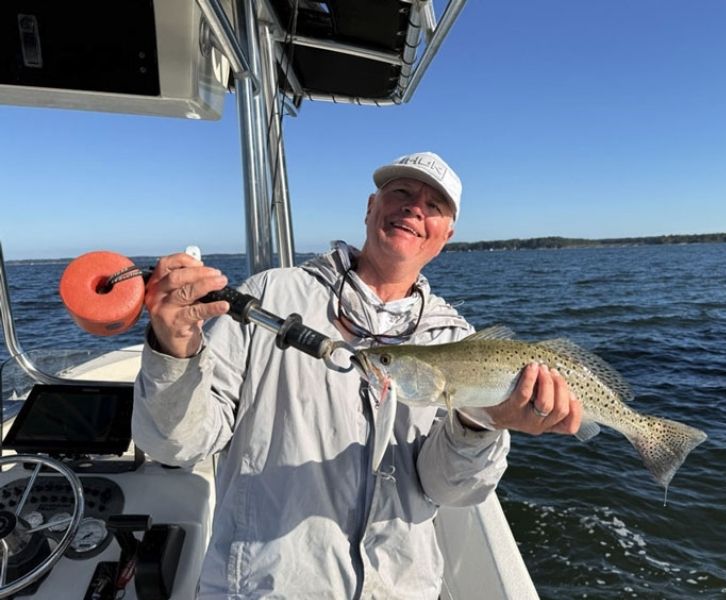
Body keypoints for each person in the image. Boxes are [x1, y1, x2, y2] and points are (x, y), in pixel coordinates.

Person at [133, 151, 582, 599]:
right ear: (371, 208)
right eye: (401, 193)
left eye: (434, 206)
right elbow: (177, 445)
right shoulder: (270, 295)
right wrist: (175, 349)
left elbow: (446, 489)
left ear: (446, 235)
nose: (414, 209)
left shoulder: (459, 338)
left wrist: (482, 422)